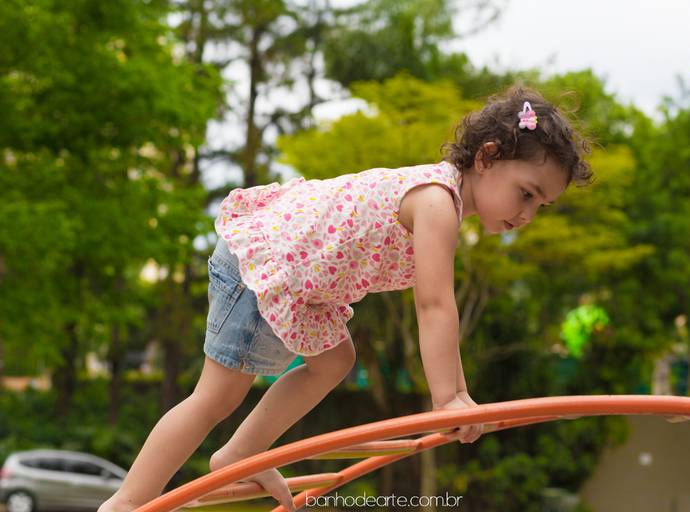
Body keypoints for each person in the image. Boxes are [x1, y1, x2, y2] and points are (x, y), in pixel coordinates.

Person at [99, 85, 593, 512]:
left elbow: (443, 317)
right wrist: (447, 400)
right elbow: (435, 307)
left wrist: (460, 400)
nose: (528, 214)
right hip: (267, 263)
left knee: (335, 361)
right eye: (526, 193)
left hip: (305, 285)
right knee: (217, 396)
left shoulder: (445, 203)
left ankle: (237, 456)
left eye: (541, 205)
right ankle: (126, 499)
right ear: (486, 158)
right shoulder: (436, 202)